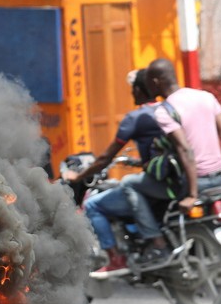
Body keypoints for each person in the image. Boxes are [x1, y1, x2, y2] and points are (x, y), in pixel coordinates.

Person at [124, 58, 221, 258]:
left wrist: (191, 194)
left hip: (194, 182)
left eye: (148, 81)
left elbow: (185, 150)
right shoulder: (206, 97)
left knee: (130, 183)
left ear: (156, 82)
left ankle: (157, 241)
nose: (146, 86)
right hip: (219, 177)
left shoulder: (165, 111)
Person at [61, 69, 163, 278]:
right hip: (168, 178)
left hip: (155, 182)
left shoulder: (135, 118)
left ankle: (115, 258)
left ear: (137, 90)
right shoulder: (167, 110)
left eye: (132, 89)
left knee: (93, 205)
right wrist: (139, 162)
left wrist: (78, 176)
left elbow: (104, 159)